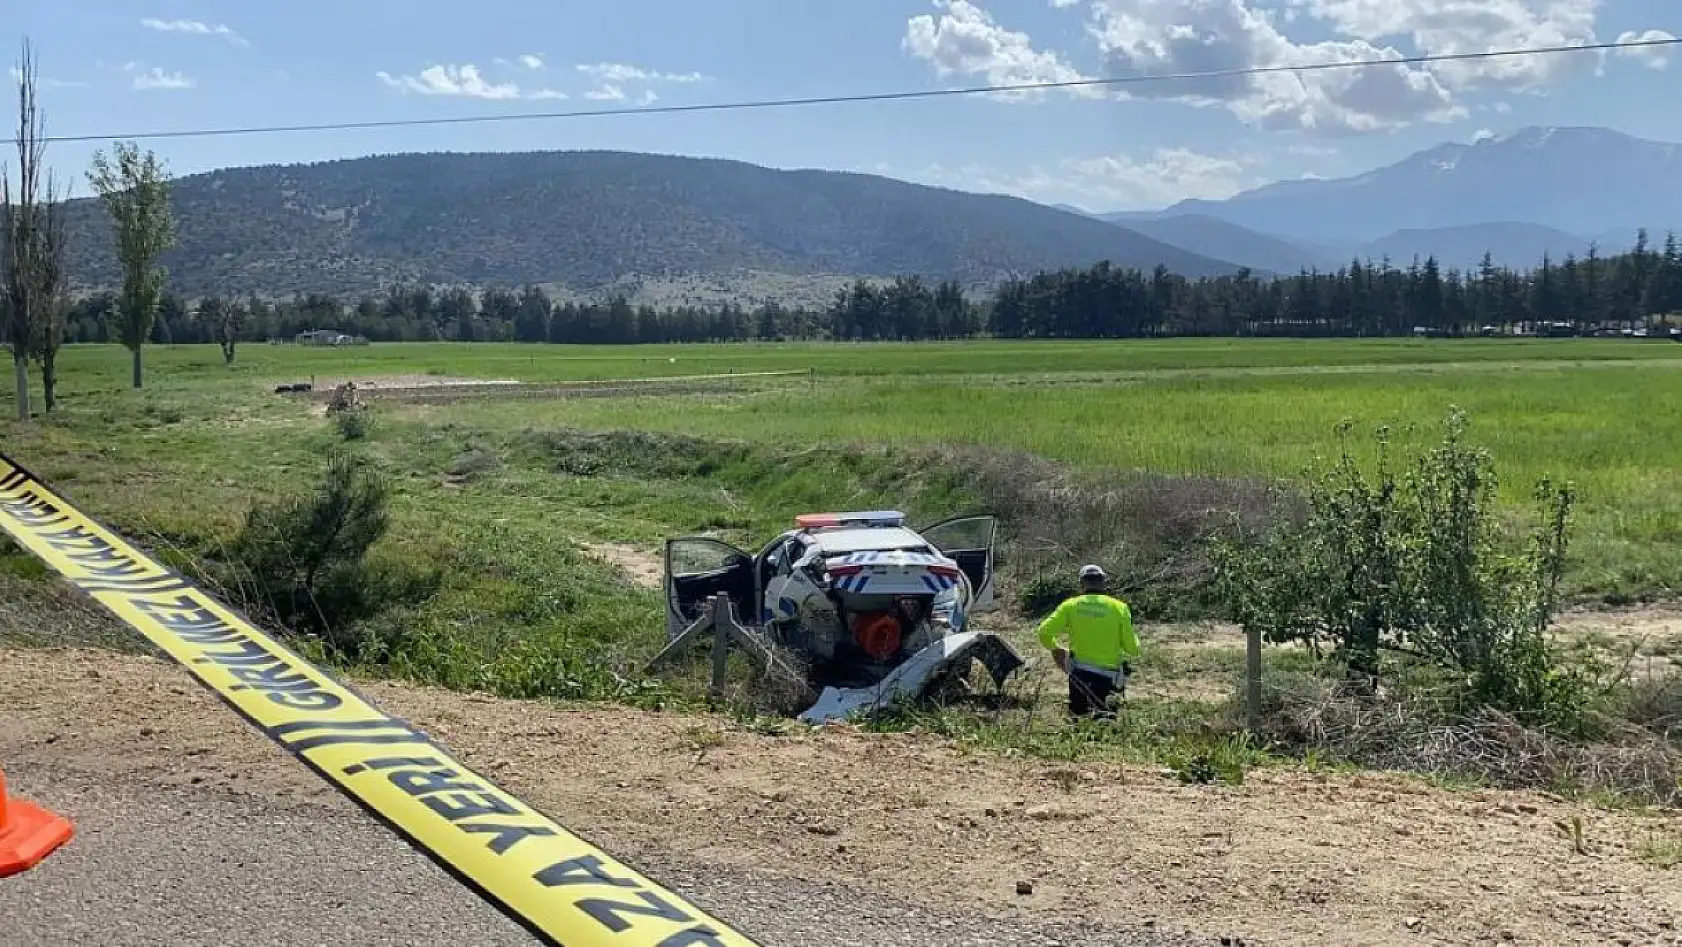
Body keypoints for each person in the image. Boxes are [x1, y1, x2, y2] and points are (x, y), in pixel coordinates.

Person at [1035, 564, 1139, 719]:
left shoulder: (1070, 605)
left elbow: (1044, 632)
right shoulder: (1119, 607)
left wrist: (1056, 649)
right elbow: (1133, 649)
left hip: (1079, 676)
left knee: (1078, 721)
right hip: (1109, 678)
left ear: (1082, 583)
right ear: (1103, 581)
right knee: (1106, 723)